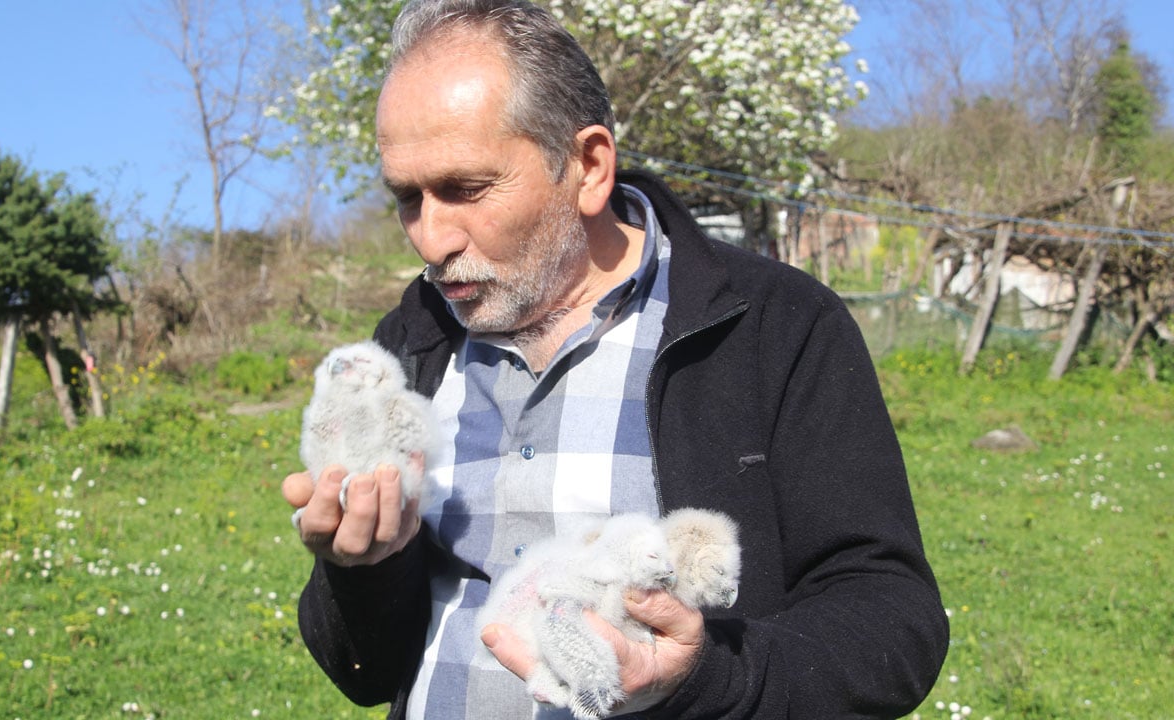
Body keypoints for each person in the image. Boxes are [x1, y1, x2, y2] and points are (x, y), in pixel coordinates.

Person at [282, 0, 950, 717]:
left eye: (466, 188)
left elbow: (891, 619)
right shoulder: (411, 343)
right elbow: (363, 671)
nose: (430, 238)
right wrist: (362, 569)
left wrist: (706, 680)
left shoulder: (773, 328)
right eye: (408, 198)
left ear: (588, 167)